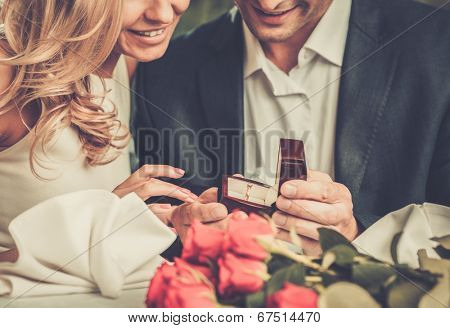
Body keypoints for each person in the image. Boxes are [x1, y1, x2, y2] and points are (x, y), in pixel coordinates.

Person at [134, 0, 450, 252]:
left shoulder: (437, 44)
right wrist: (183, 233)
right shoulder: (164, 72)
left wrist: (359, 237)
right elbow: (155, 237)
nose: (269, 4)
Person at [0, 0, 231, 265]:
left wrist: (160, 221)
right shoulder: (6, 74)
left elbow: (101, 243)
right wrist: (99, 224)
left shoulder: (127, 61)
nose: (164, 14)